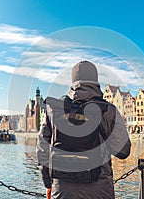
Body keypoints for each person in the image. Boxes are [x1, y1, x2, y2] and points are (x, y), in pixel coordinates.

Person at [36, 60, 131, 199]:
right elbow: (123, 151)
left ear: (72, 81)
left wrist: (48, 184)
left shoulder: (53, 109)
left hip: (62, 190)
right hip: (99, 191)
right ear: (95, 81)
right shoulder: (107, 111)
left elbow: (42, 150)